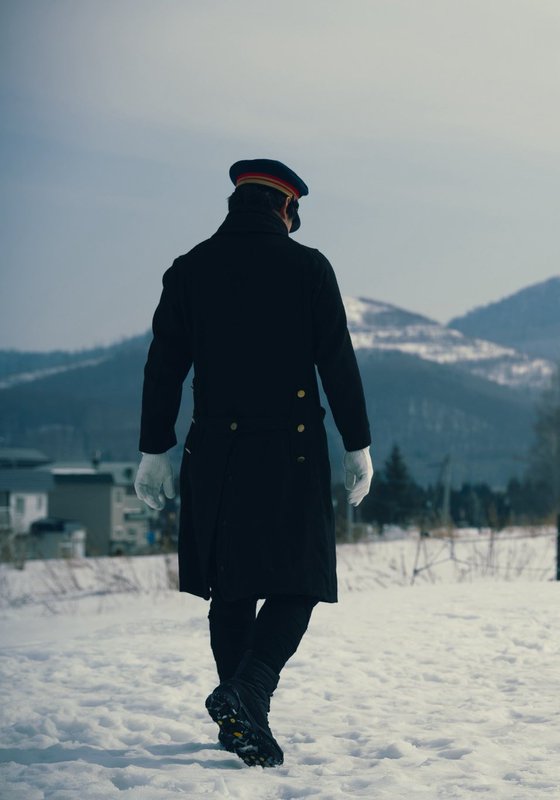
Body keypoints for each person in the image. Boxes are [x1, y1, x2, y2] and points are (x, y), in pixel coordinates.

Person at [134, 158, 373, 768]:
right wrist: (357, 442)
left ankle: (243, 715)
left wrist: (154, 448)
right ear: (286, 209)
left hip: (214, 450)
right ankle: (249, 691)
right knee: (304, 578)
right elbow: (337, 363)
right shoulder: (308, 267)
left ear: (239, 202)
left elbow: (163, 367)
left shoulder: (189, 269)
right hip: (290, 448)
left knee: (232, 587)